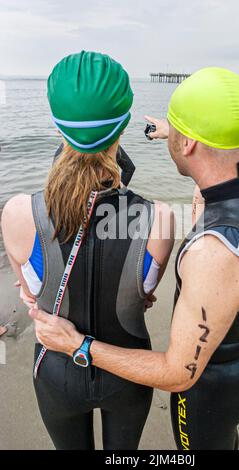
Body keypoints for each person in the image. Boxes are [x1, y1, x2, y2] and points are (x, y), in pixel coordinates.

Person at [26, 67, 239, 450]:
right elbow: (218, 163)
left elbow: (176, 373)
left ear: (190, 145)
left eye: (177, 132)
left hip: (207, 393)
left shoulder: (215, 253)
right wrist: (179, 134)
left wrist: (77, 346)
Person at [1, 51, 174, 450]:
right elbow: (143, 295)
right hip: (128, 370)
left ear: (57, 123)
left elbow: (29, 294)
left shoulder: (16, 213)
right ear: (124, 125)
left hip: (55, 372)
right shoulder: (160, 219)